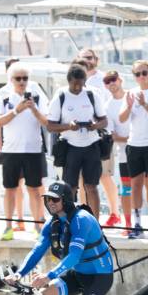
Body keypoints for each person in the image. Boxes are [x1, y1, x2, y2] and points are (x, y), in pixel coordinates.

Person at [0, 62, 49, 240]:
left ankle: (38, 227)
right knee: (10, 189)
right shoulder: (4, 95)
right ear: (11, 80)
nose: (22, 82)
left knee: (34, 189)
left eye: (25, 78)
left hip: (33, 149)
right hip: (11, 150)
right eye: (18, 78)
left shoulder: (37, 96)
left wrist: (33, 108)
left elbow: (46, 122)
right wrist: (17, 110)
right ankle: (8, 227)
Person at [48, 64, 108, 218]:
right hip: (70, 147)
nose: (77, 87)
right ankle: (68, 220)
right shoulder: (60, 96)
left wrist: (94, 126)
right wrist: (69, 126)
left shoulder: (92, 94)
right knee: (70, 187)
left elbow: (104, 121)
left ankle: (95, 223)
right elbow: (50, 126)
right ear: (68, 81)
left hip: (91, 145)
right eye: (74, 84)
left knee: (91, 186)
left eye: (80, 84)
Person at [121, 59, 148, 239]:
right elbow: (123, 118)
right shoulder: (130, 93)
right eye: (137, 74)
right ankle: (137, 222)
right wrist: (131, 105)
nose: (141, 77)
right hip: (134, 144)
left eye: (144, 73)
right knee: (136, 184)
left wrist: (145, 104)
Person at [98, 70, 128, 229]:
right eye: (107, 81)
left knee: (147, 182)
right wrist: (128, 139)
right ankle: (116, 214)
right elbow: (113, 135)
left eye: (113, 79)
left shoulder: (132, 96)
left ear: (120, 79)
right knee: (126, 184)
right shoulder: (107, 106)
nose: (111, 83)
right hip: (123, 149)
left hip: (143, 145)